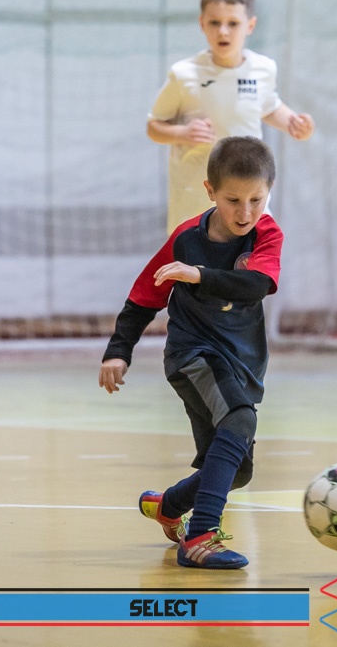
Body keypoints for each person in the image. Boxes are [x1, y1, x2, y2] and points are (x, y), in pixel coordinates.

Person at [99, 136, 282, 570]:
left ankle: (168, 505)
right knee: (240, 419)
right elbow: (144, 296)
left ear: (269, 191)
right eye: (233, 200)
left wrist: (199, 275)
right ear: (210, 191)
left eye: (256, 200)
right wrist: (118, 350)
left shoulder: (267, 233)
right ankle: (199, 537)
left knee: (238, 470)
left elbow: (257, 284)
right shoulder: (185, 239)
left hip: (240, 362)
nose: (245, 212)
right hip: (192, 355)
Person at [146, 0, 314, 233]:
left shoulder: (263, 69)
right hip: (195, 207)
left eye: (233, 23)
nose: (223, 31)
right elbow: (153, 127)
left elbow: (269, 107)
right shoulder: (183, 74)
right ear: (202, 23)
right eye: (215, 22)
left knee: (254, 258)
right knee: (197, 260)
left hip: (248, 206)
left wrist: (294, 123)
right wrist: (182, 132)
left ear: (250, 25)